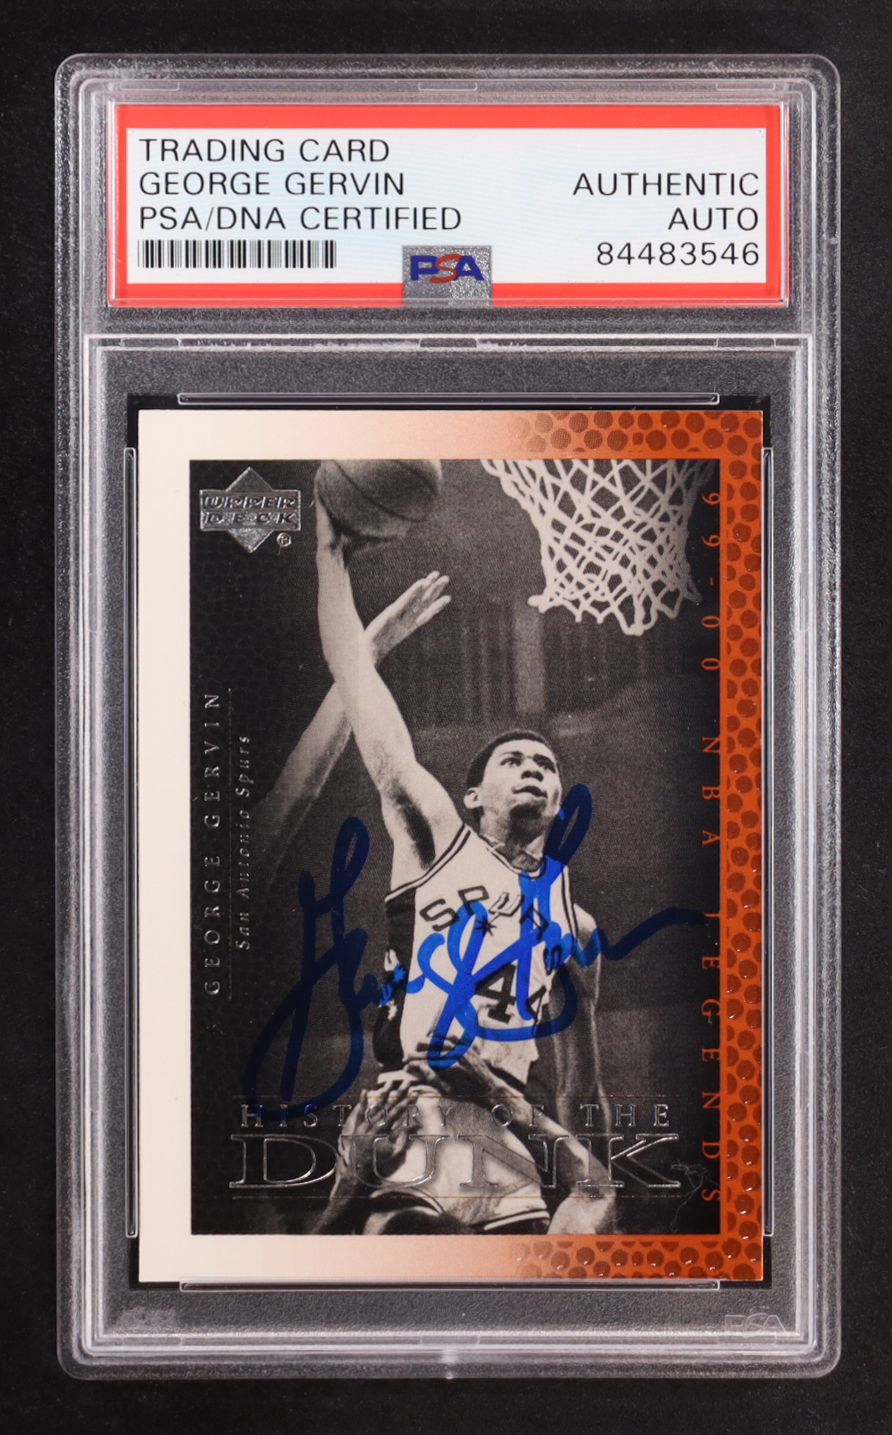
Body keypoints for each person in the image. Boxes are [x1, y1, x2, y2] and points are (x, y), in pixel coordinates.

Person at [313, 500, 614, 1236]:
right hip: (410, 1112)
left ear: (559, 801)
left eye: (546, 764)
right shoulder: (437, 838)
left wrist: (593, 1198)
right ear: (474, 795)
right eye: (514, 760)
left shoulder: (576, 926)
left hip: (506, 1133)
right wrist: (330, 563)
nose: (534, 768)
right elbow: (367, 705)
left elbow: (581, 1086)